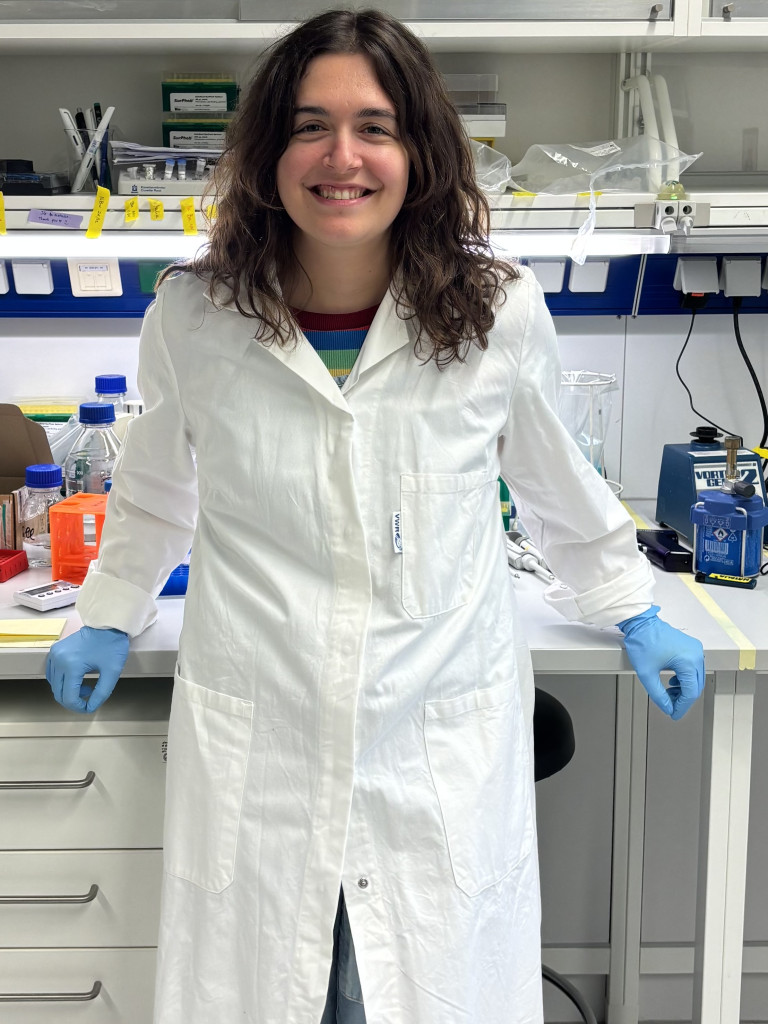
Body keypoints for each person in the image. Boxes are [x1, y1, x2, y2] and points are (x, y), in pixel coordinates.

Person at [45, 9, 705, 1024]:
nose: (340, 156)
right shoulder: (193, 314)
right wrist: (109, 605)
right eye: (309, 125)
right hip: (262, 746)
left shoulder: (498, 312)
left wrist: (632, 604)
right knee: (279, 988)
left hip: (432, 745)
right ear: (268, 151)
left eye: (375, 126)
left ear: (420, 151)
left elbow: (555, 485)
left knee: (411, 989)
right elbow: (156, 490)